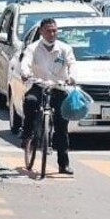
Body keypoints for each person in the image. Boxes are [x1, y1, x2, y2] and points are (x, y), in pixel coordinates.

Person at [19, 17, 76, 175]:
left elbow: (72, 64)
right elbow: (25, 63)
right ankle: (27, 132)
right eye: (48, 31)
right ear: (41, 32)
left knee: (61, 125)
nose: (52, 34)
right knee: (30, 101)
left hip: (58, 86)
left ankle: (63, 164)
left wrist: (71, 77)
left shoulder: (65, 49)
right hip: (39, 84)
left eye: (54, 31)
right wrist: (25, 73)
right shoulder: (33, 48)